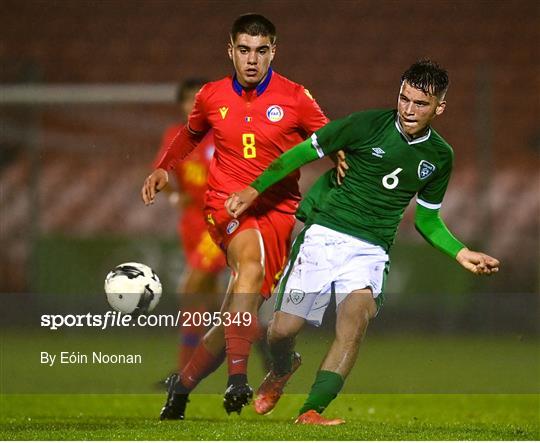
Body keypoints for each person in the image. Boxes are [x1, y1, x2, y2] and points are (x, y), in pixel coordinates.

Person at [226, 60, 500, 425]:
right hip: (323, 234)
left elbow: (427, 218)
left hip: (370, 250)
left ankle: (311, 411)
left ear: (439, 108)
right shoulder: (365, 124)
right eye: (404, 98)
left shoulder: (439, 157)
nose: (408, 109)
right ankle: (282, 366)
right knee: (282, 330)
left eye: (420, 103)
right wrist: (253, 189)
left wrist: (460, 252)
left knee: (354, 319)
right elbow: (303, 152)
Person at [141, 13, 337, 418]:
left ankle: (182, 387)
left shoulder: (296, 97)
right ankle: (238, 379)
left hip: (278, 212)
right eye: (244, 50)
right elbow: (190, 134)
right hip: (226, 204)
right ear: (230, 51)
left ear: (273, 52)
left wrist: (346, 164)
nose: (252, 60)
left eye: (261, 51)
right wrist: (164, 166)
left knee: (235, 316)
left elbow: (328, 140)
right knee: (248, 268)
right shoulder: (212, 95)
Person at [153, 79, 227, 372]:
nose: (194, 107)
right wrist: (173, 196)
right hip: (192, 223)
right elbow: (161, 172)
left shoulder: (223, 135)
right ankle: (263, 346)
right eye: (189, 101)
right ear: (182, 105)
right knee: (211, 300)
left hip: (219, 222)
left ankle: (183, 372)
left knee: (190, 289)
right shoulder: (175, 136)